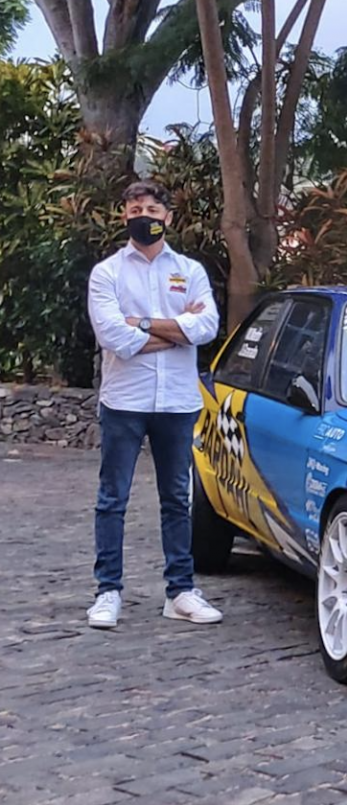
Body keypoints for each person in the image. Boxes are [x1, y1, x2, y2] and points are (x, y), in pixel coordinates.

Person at [85, 180, 223, 629]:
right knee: (113, 499)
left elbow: (206, 328)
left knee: (178, 498)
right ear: (124, 216)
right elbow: (113, 336)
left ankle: (180, 592)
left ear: (168, 217)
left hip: (178, 402)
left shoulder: (190, 270)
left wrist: (142, 324)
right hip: (124, 400)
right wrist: (176, 333)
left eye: (151, 209)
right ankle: (107, 591)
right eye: (134, 210)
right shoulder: (107, 273)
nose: (143, 216)